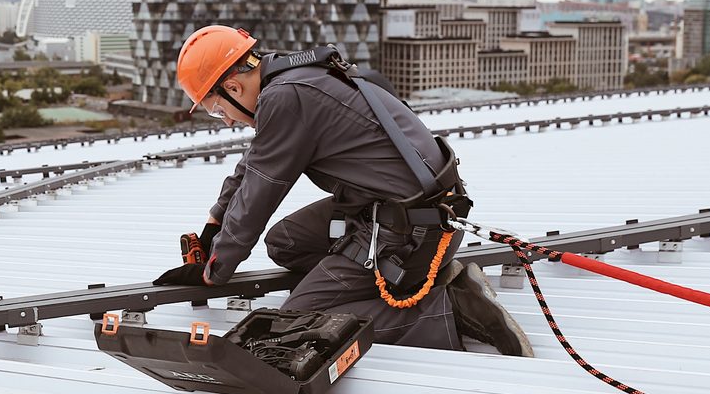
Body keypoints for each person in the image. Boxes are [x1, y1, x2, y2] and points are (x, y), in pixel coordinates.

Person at [152, 25, 533, 356]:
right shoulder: (295, 76)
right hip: (401, 212)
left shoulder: (286, 97)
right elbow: (254, 164)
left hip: (410, 234)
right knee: (285, 242)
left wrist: (215, 270)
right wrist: (213, 225)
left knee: (296, 321)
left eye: (219, 111)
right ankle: (362, 277)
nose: (227, 120)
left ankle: (451, 308)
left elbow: (260, 192)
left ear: (234, 86)